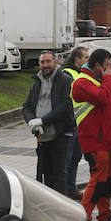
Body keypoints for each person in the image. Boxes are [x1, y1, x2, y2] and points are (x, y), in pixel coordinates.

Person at [71, 48, 111, 221]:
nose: (110, 69)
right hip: (96, 142)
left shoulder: (99, 81)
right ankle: (82, 220)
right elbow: (101, 98)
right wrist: (109, 78)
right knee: (97, 182)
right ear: (97, 66)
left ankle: (105, 216)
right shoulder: (81, 82)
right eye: (107, 65)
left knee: (107, 182)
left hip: (108, 141)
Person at [22, 49, 74, 194]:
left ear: (55, 61)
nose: (45, 65)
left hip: (60, 133)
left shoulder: (65, 80)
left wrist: (43, 120)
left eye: (48, 61)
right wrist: (31, 121)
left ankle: (60, 204)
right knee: (46, 172)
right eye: (42, 62)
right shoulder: (36, 82)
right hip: (42, 135)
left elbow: (66, 106)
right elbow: (26, 106)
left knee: (59, 172)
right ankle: (50, 201)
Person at [62, 46, 89, 196]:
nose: (87, 60)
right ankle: (65, 191)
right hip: (70, 123)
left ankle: (71, 189)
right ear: (77, 59)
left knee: (75, 157)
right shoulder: (67, 73)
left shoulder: (78, 73)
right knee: (68, 158)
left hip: (78, 122)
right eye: (85, 57)